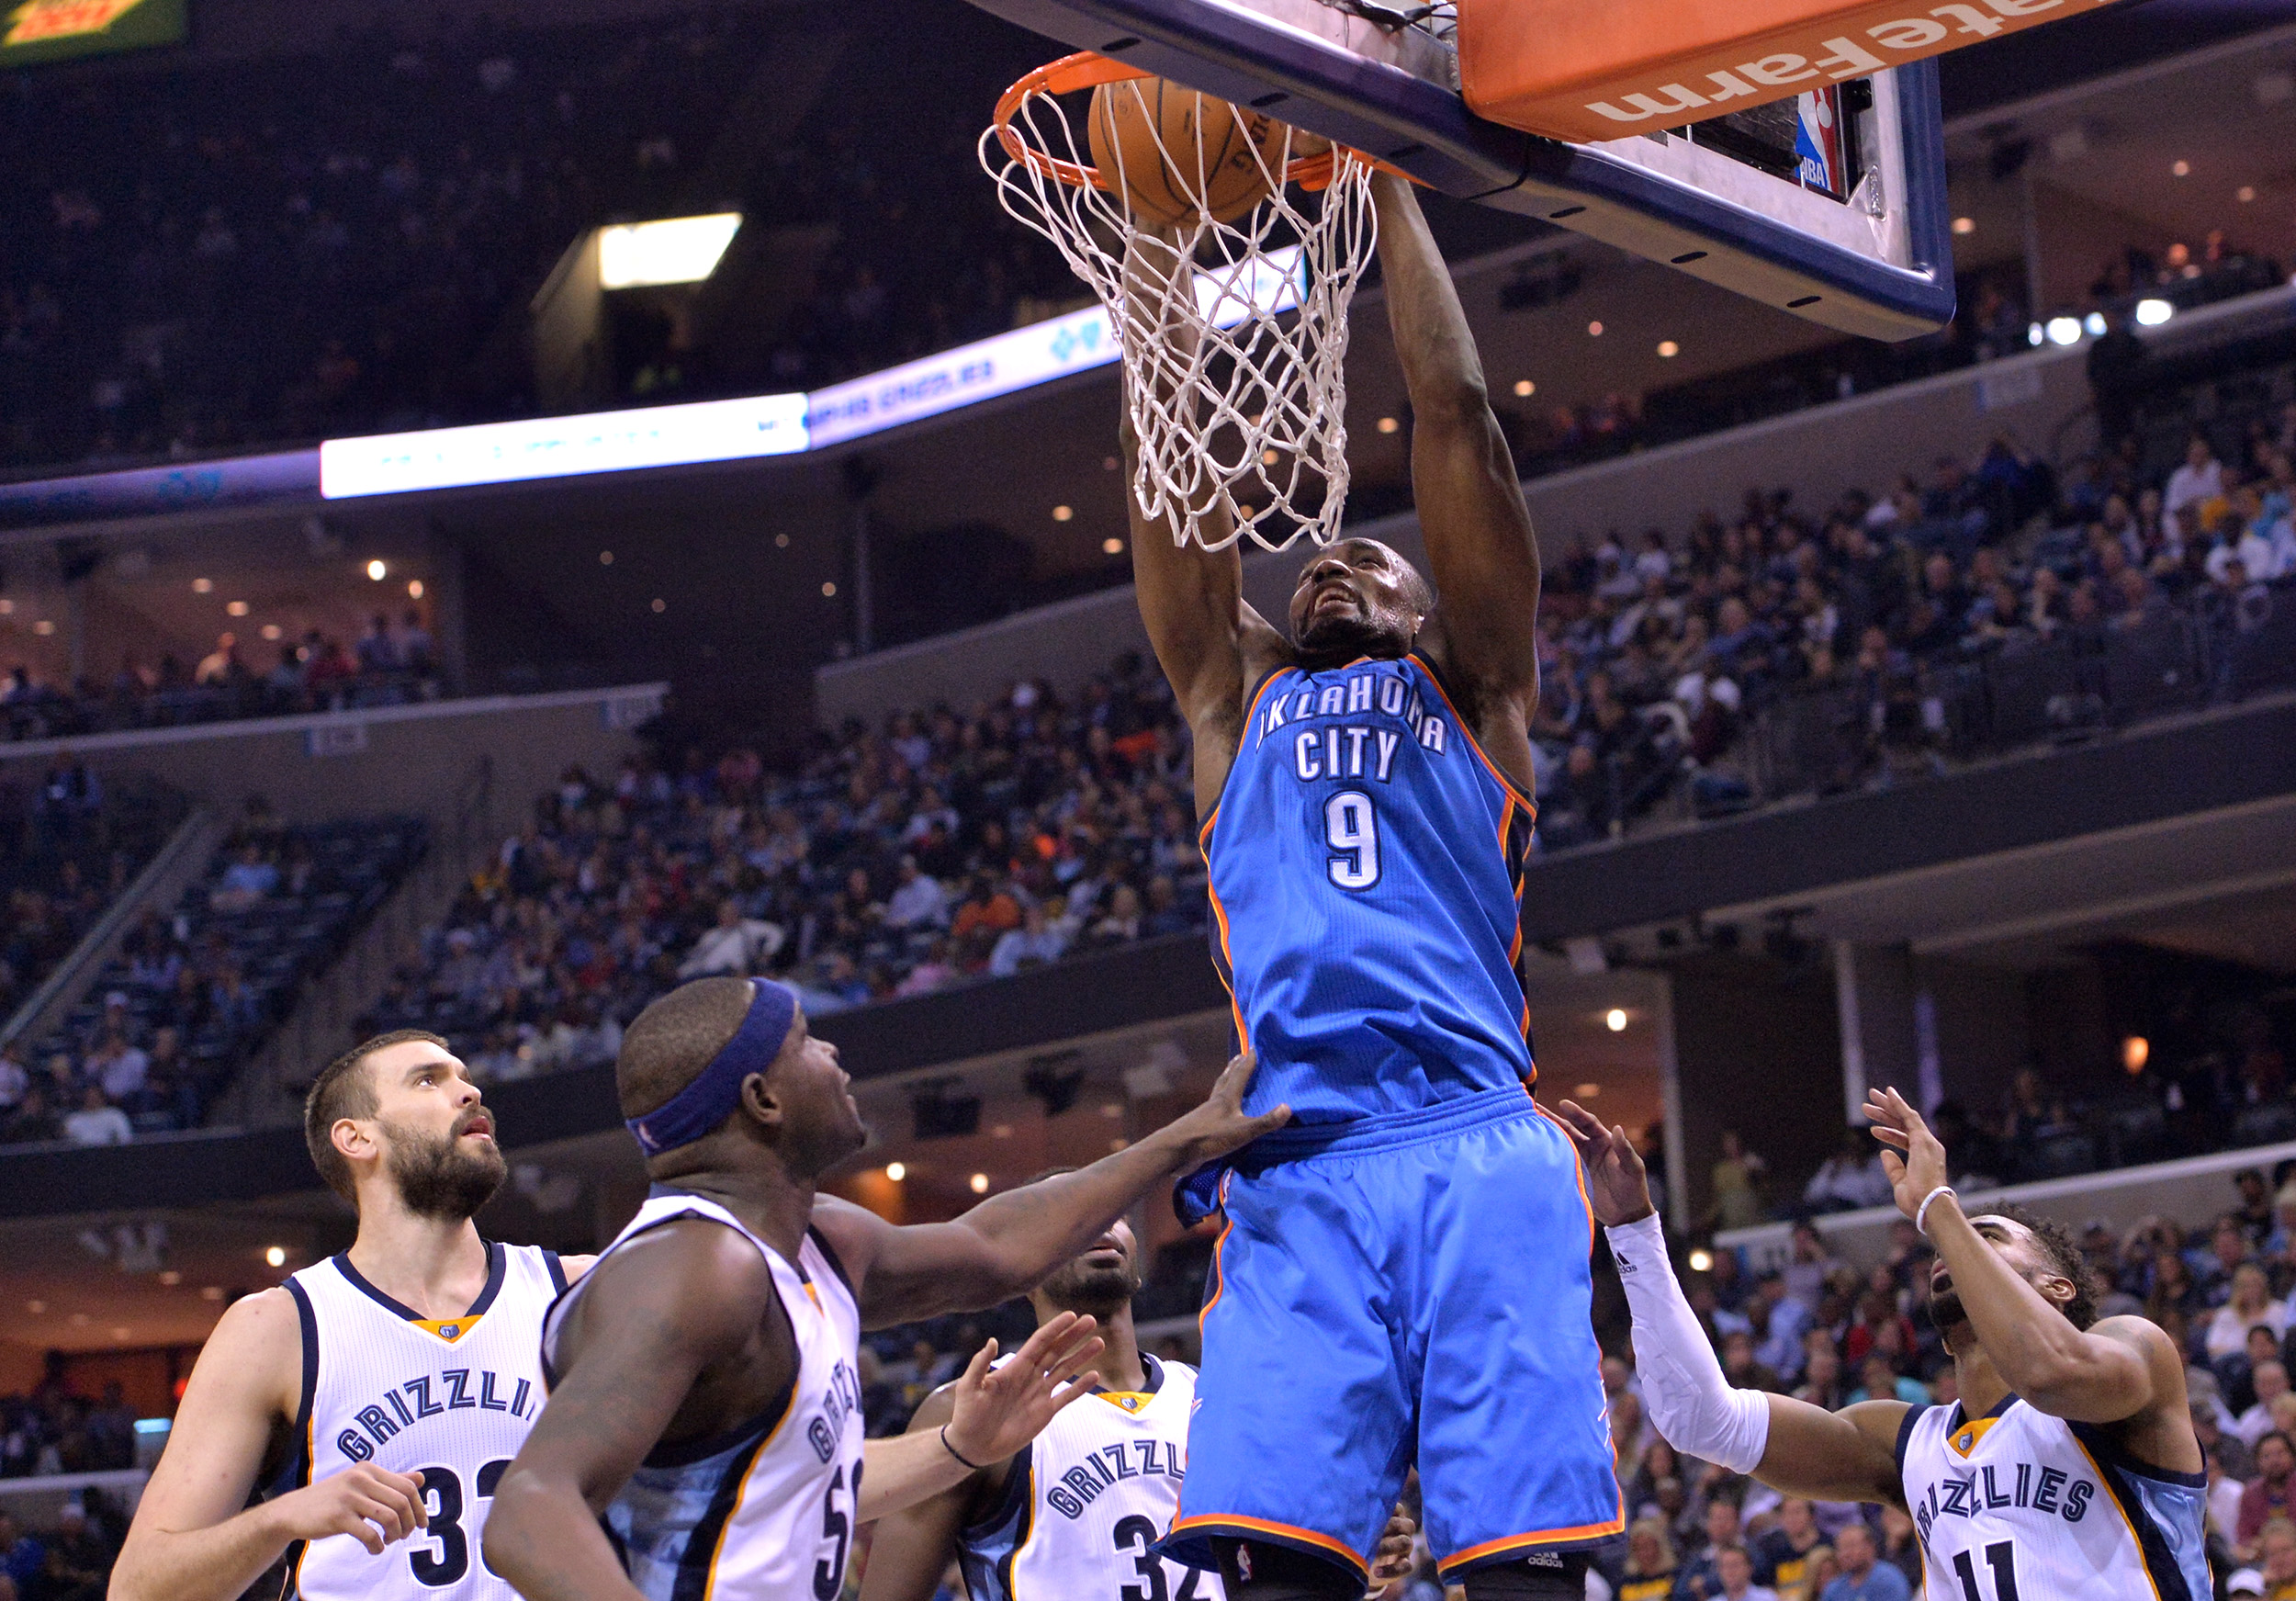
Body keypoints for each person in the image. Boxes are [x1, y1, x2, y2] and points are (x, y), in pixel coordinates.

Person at [1123, 166, 1612, 1598]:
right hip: (1297, 1155)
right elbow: (1177, 473)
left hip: (1475, 1137)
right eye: (1318, 566)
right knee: (1280, 1571)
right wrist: (1159, 261)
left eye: (1373, 562)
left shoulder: (1481, 693)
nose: (1335, 567)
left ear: (1429, 611)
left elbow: (1454, 415)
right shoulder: (1234, 702)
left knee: (1523, 1569)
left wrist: (1387, 175)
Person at [481, 975, 1286, 1600]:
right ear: (763, 1099)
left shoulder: (820, 1239)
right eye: (805, 1041)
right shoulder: (694, 1267)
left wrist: (1183, 1137)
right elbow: (529, 1508)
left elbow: (994, 1245)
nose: (834, 1054)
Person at [1557, 1086, 2209, 1599]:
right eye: (1953, 1237)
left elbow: (2050, 1370)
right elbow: (1701, 1419)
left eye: (1989, 1236)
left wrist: (1941, 1206)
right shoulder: (1905, 1444)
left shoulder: (2133, 1357)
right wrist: (1635, 1232)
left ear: (2059, 1286)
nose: (1953, 1245)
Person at [111, 1030, 587, 1601]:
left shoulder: (578, 1290)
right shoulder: (278, 1328)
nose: (469, 1092)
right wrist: (281, 1518)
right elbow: (139, 1589)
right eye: (430, 1080)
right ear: (356, 1138)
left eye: (465, 1077)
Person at [859, 1203, 1417, 1601]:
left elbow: (1262, 1568)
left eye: (1112, 1216)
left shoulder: (1216, 1397)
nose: (1098, 1225)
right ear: (1022, 1268)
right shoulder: (970, 1409)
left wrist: (1345, 1559)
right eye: (1068, 1217)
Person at [1816, 1524, 1906, 1601]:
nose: (1845, 1554)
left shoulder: (1888, 1580)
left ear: (1870, 1547)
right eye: (1840, 1548)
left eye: (1850, 1546)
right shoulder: (1834, 1588)